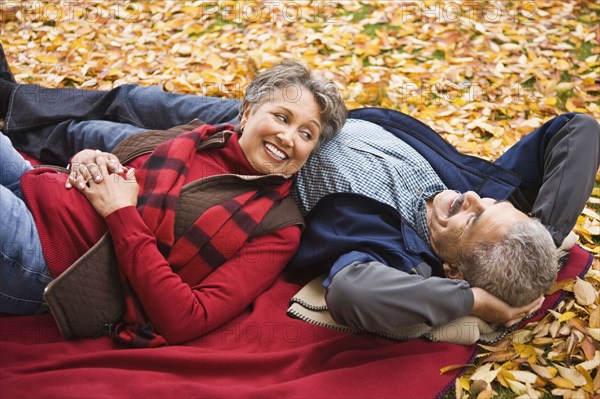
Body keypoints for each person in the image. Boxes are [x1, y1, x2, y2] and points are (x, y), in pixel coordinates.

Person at [1, 52, 599, 333]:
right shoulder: (484, 190)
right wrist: (539, 230)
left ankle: (31, 123)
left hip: (282, 151)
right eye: (491, 205)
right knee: (133, 101)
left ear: (449, 265)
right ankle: (18, 106)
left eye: (471, 221)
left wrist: (476, 302)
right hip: (300, 116)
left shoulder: (388, 247)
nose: (469, 200)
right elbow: (579, 129)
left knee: (112, 133)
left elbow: (359, 293)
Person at [0, 60, 348, 346]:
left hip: (51, 258)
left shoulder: (278, 228)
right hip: (40, 186)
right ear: (247, 113)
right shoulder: (198, 138)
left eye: (306, 134)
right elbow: (117, 164)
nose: (288, 137)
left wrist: (121, 214)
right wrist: (88, 158)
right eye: (282, 117)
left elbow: (187, 319)